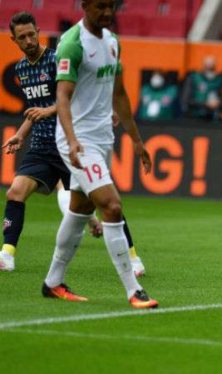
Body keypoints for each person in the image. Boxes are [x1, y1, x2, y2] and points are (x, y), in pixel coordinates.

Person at [0, 12, 147, 278]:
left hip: (72, 142)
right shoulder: (22, 68)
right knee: (15, 192)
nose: (29, 40)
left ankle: (133, 259)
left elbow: (75, 95)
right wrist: (21, 134)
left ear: (38, 30)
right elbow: (37, 108)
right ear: (14, 40)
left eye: (32, 33)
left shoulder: (57, 58)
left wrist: (49, 112)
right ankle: (6, 254)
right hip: (43, 146)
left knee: (106, 202)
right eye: (22, 37)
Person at [42, 0, 157, 308]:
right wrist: (72, 140)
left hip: (103, 139)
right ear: (85, 5)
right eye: (100, 6)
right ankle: (134, 290)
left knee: (79, 209)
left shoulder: (112, 41)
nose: (107, 13)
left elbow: (119, 94)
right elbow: (62, 97)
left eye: (111, 7)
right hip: (79, 143)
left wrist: (136, 139)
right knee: (112, 206)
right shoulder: (72, 43)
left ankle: (53, 282)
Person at [181, 56, 222, 120]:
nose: (210, 70)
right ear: (204, 66)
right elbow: (186, 99)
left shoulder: (218, 80)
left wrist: (218, 104)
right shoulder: (194, 78)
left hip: (211, 116)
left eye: (212, 68)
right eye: (208, 67)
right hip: (195, 116)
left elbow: (220, 97)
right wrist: (205, 104)